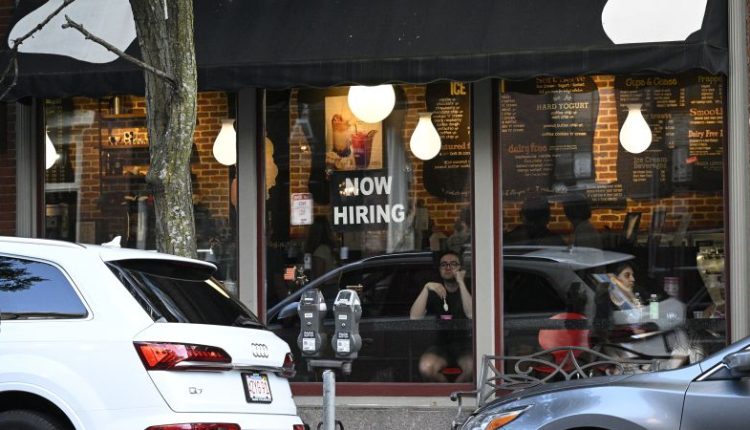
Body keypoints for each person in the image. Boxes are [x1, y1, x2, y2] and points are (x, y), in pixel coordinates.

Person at [409, 250, 473, 382]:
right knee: (427, 367)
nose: (448, 267)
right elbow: (415, 317)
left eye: (453, 264)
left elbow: (471, 313)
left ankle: (457, 392)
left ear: (460, 268)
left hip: (466, 344)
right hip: (441, 345)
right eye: (444, 264)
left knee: (472, 368)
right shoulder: (435, 289)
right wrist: (426, 288)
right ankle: (447, 391)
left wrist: (461, 283)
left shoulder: (470, 287)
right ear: (439, 269)